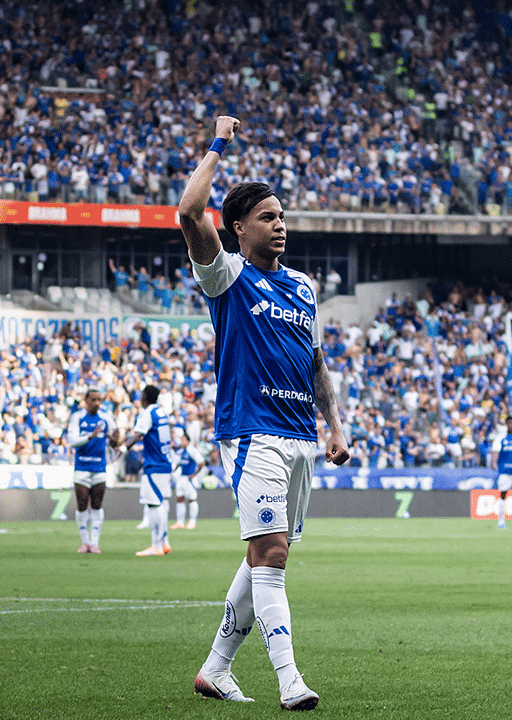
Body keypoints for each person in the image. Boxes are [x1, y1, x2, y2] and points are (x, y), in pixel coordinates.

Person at [180, 116, 350, 711]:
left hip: (303, 437)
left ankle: (214, 670)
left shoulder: (303, 287)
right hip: (252, 433)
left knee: (262, 556)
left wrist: (335, 424)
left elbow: (316, 362)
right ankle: (290, 681)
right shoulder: (227, 275)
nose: (281, 226)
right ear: (238, 227)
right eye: (269, 218)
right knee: (272, 556)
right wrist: (219, 143)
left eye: (282, 217)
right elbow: (187, 210)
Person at [66, 388, 118, 554]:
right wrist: (90, 436)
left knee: (97, 504)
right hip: (81, 466)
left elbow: (115, 440)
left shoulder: (106, 418)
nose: (97, 403)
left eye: (99, 400)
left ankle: (94, 543)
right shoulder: (77, 417)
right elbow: (72, 441)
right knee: (82, 504)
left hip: (99, 467)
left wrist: (114, 440)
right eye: (94, 399)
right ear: (86, 400)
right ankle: (84, 542)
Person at [125, 384, 174, 557]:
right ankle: (165, 543)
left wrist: (123, 448)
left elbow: (138, 434)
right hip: (165, 462)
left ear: (145, 396)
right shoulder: (161, 412)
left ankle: (156, 545)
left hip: (155, 464)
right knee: (162, 502)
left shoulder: (148, 413)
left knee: (154, 503)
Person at [170, 432, 207, 530]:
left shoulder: (192, 450)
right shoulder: (182, 451)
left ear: (187, 441)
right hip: (181, 478)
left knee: (192, 499)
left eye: (183, 440)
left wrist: (194, 474)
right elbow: (179, 462)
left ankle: (192, 522)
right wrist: (173, 470)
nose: (181, 442)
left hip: (189, 478)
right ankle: (180, 522)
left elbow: (202, 463)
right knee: (179, 499)